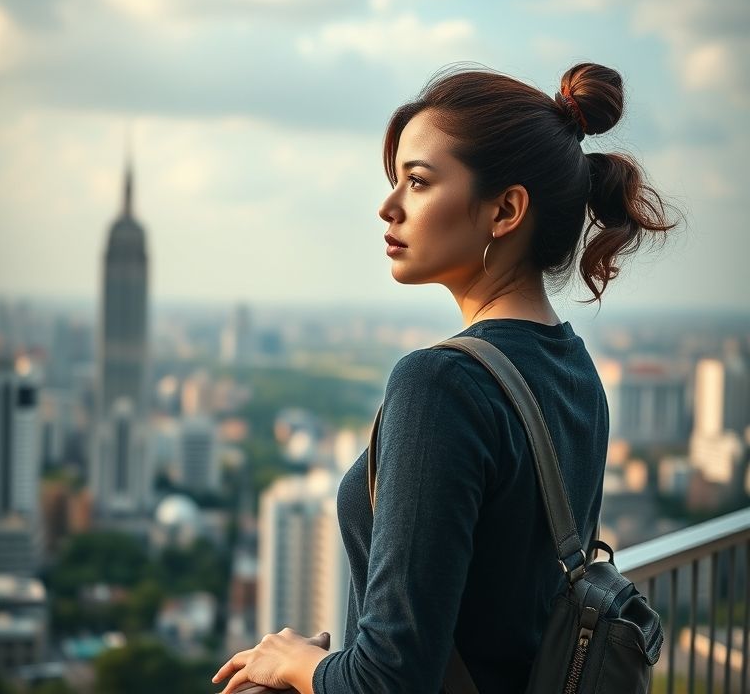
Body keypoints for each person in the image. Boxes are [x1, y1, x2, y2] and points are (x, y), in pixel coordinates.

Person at [212, 62, 678, 694]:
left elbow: (390, 680)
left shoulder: (439, 385)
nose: (388, 206)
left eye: (419, 181)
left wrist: (295, 662)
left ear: (506, 209)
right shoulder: (574, 367)